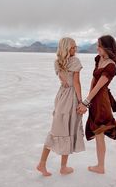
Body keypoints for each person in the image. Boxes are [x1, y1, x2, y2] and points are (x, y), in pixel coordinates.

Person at [77, 35, 116, 174]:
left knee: (99, 132)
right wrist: (88, 99)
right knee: (99, 129)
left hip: (101, 100)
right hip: (94, 99)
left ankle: (100, 166)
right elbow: (93, 81)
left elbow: (99, 87)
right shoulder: (99, 59)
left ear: (106, 47)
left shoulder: (111, 66)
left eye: (99, 45)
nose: (97, 48)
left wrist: (86, 102)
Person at [36, 37, 85, 176]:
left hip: (61, 97)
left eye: (75, 47)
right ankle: (60, 167)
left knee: (58, 130)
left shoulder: (58, 62)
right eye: (72, 47)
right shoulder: (75, 61)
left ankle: (46, 164)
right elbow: (76, 83)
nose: (75, 50)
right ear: (66, 48)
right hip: (71, 97)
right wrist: (81, 101)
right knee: (65, 129)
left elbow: (63, 81)